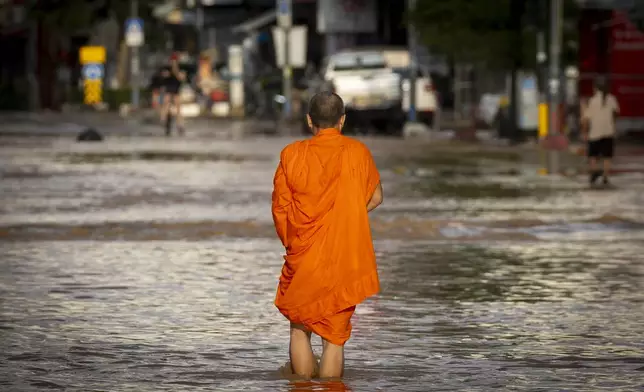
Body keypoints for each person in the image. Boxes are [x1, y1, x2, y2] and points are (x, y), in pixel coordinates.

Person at [271, 92, 384, 379]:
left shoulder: (292, 154)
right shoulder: (358, 152)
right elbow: (376, 197)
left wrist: (294, 239)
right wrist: (345, 219)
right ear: (342, 120)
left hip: (304, 254)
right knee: (334, 336)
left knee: (300, 328)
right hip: (344, 256)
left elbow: (281, 208)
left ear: (310, 121)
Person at [581, 77, 620, 186]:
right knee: (607, 155)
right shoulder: (612, 99)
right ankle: (606, 177)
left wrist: (584, 131)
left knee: (593, 154)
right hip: (608, 131)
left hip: (595, 132)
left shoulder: (592, 100)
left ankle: (594, 171)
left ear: (596, 88)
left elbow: (586, 118)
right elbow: (616, 113)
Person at [160, 54, 186, 136]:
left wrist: (176, 71)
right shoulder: (167, 68)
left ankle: (180, 125)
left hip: (176, 90)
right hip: (168, 89)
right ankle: (163, 121)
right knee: (166, 105)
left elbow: (182, 78)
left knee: (178, 108)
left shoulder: (180, 69)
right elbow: (163, 76)